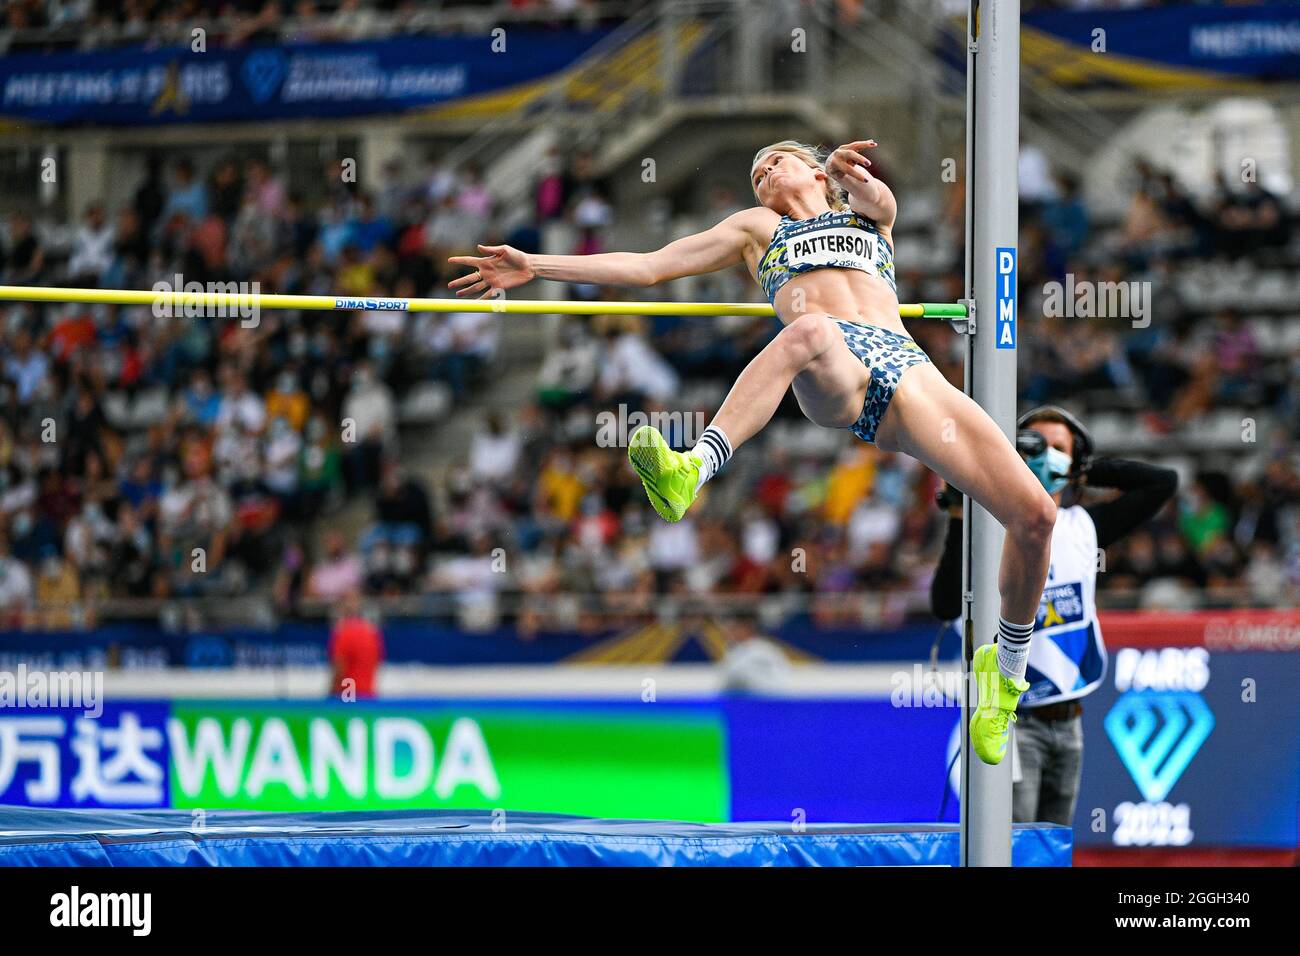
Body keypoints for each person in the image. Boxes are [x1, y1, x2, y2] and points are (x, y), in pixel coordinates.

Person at [450, 139, 1059, 764]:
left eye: (775, 160)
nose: (764, 170)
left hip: (910, 372)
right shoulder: (754, 228)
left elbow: (880, 198)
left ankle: (1005, 668)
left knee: (1036, 516)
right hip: (834, 370)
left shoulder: (865, 211)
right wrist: (537, 266)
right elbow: (649, 267)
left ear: (814, 169)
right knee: (813, 329)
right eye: (755, 169)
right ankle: (693, 468)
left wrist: (851, 176)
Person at [930, 406, 1178, 824]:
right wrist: (960, 514)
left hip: (1069, 722)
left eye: (1057, 449)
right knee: (1016, 847)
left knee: (1053, 848)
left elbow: (1162, 483)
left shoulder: (1083, 527)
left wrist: (1083, 469)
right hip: (1010, 720)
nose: (1044, 457)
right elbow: (944, 604)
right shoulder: (990, 529)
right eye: (1032, 448)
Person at [328, 590, 384, 699]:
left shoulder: (343, 633)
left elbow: (340, 670)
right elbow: (377, 663)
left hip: (348, 696)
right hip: (369, 695)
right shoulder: (373, 633)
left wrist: (331, 695)